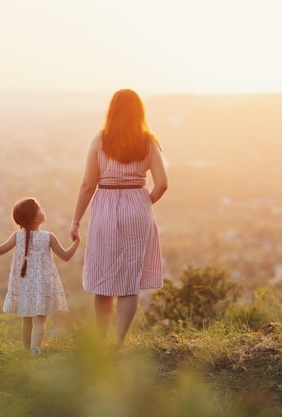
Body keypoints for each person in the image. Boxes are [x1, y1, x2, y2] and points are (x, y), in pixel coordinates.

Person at [69, 88, 168, 346]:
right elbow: (162, 184)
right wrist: (143, 202)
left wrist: (76, 221)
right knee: (129, 280)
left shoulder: (99, 141)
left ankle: (100, 341)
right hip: (138, 206)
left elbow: (88, 186)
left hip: (105, 207)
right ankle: (119, 343)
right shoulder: (149, 142)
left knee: (103, 277)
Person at [0, 198, 79, 355]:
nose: (43, 209)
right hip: (43, 284)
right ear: (36, 218)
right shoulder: (48, 236)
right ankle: (34, 351)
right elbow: (66, 256)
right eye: (40, 209)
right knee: (40, 320)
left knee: (26, 318)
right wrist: (77, 242)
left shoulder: (18, 236)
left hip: (24, 283)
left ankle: (25, 351)